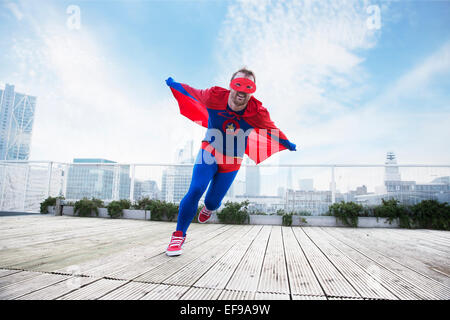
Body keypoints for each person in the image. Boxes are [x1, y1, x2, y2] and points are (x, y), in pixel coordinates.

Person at [164, 68, 297, 256]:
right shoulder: (214, 96)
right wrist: (174, 85)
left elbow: (272, 129)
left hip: (232, 162)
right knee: (195, 190)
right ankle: (178, 236)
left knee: (212, 201)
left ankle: (209, 208)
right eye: (238, 84)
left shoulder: (257, 112)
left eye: (247, 87)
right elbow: (191, 92)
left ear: (252, 90)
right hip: (208, 153)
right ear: (231, 85)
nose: (241, 91)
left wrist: (288, 143)